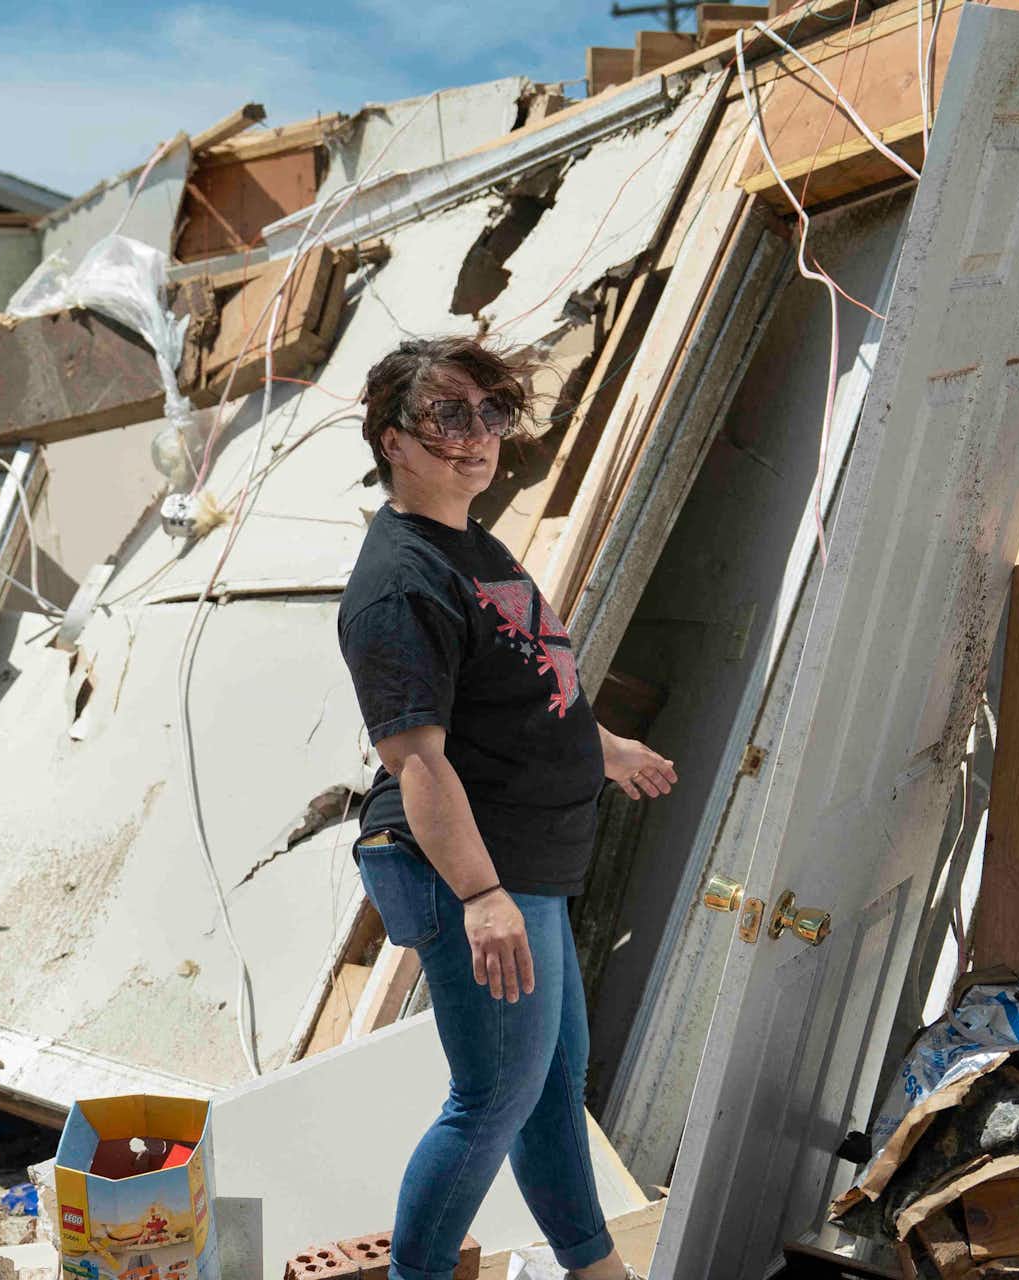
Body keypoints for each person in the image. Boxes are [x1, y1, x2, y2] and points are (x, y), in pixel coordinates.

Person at [336, 336, 678, 1280]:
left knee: (551, 1088)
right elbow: (417, 761)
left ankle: (595, 1267)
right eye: (448, 415)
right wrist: (482, 897)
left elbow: (514, 692)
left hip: (528, 862)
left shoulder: (473, 547)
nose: (476, 436)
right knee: (493, 1097)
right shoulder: (399, 582)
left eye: (491, 414)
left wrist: (601, 748)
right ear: (392, 439)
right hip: (474, 867)